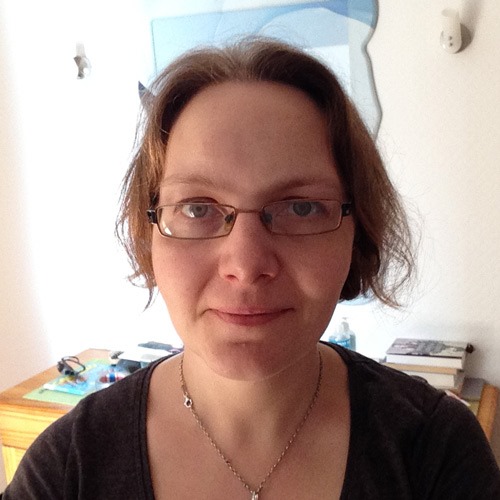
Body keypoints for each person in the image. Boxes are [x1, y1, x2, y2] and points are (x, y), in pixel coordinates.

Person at [3, 37, 499, 499]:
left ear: (358, 233)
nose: (245, 266)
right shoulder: (65, 470)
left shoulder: (436, 452)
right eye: (196, 208)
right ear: (149, 231)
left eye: (302, 207)